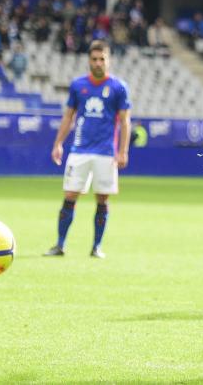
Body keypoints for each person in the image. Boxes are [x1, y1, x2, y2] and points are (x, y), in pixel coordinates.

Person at [43, 40, 131, 259]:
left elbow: (125, 121)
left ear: (108, 60)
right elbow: (68, 117)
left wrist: (123, 151)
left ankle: (96, 247)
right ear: (88, 61)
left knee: (103, 199)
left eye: (102, 59)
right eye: (94, 59)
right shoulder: (78, 85)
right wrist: (58, 144)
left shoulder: (119, 87)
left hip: (105, 152)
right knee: (70, 195)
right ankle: (60, 244)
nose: (98, 63)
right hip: (79, 150)